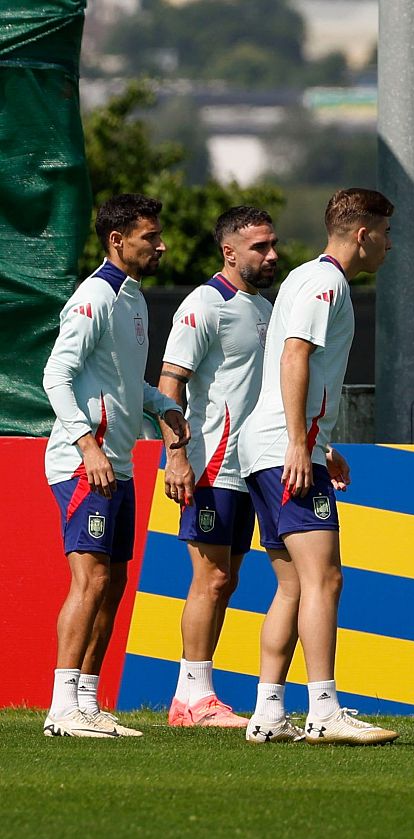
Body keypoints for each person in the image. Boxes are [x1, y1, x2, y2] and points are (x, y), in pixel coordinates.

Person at [238, 188, 396, 746]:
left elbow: (295, 359)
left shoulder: (308, 278)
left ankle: (268, 713)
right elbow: (294, 355)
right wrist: (301, 446)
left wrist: (322, 444)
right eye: (384, 232)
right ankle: (324, 709)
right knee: (324, 577)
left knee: (291, 586)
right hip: (284, 448)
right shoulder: (326, 282)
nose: (388, 244)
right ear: (362, 234)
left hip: (272, 446)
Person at [41, 193, 189, 738]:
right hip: (85, 463)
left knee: (113, 582)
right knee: (92, 578)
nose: (161, 245)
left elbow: (126, 384)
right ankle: (61, 708)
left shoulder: (132, 300)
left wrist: (163, 405)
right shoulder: (93, 297)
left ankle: (86, 701)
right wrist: (87, 445)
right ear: (117, 240)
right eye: (151, 237)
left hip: (118, 464)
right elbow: (55, 376)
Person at [157, 206, 279, 728]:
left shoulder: (266, 308)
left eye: (273, 245)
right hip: (211, 464)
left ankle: (198, 694)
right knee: (210, 579)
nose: (272, 255)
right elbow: (169, 384)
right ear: (229, 251)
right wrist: (176, 455)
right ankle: (191, 699)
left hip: (249, 465)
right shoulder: (204, 305)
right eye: (259, 247)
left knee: (226, 580)